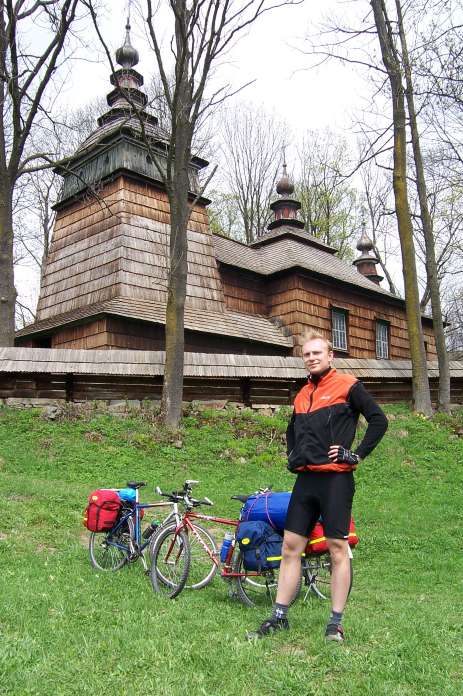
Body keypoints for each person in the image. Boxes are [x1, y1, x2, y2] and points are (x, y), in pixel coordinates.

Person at [247, 331, 388, 642]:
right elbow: (291, 431)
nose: (311, 358)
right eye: (307, 354)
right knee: (290, 548)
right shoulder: (302, 395)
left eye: (317, 353)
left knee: (338, 549)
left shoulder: (348, 385)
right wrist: (293, 456)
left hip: (336, 480)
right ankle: (279, 616)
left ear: (330, 356)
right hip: (306, 481)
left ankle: (335, 623)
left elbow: (379, 420)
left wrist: (357, 454)